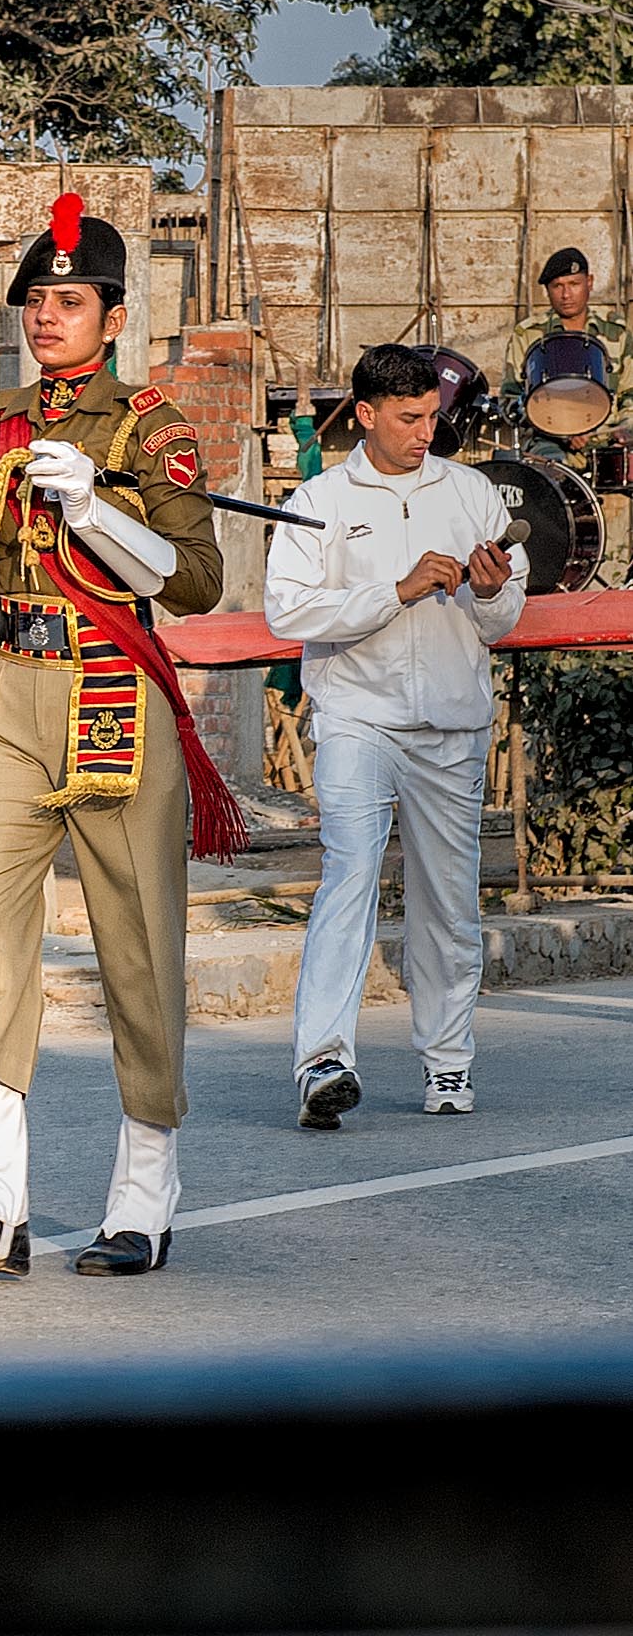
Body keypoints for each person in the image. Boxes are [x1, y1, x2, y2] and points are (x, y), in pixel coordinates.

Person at [0, 195, 242, 1283]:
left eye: (69, 300)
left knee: (134, 947)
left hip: (112, 684)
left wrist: (97, 507)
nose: (46, 318)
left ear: (110, 314)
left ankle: (145, 1192)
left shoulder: (151, 425)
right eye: (35, 301)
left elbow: (194, 583)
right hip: (11, 682)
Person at [265, 344, 527, 1129]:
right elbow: (289, 611)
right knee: (347, 875)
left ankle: (447, 1064)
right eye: (408, 418)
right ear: (368, 413)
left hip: (450, 722)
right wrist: (395, 589)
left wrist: (485, 596)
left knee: (447, 900)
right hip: (355, 714)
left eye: (431, 416)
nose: (424, 431)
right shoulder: (316, 497)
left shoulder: (472, 491)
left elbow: (504, 612)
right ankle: (322, 1059)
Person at [501, 246, 633, 460]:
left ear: (589, 282)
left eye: (574, 284)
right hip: (549, 442)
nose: (566, 294)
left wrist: (625, 430)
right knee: (551, 476)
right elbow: (509, 401)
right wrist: (562, 428)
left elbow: (631, 393)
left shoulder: (616, 333)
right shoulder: (527, 334)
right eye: (557, 286)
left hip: (608, 440)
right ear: (547, 290)